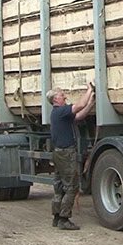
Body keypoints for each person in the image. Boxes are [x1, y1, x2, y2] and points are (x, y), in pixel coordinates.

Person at [46, 82, 95, 230]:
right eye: (62, 95)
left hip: (58, 153)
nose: (65, 96)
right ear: (55, 100)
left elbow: (79, 115)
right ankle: (64, 218)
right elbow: (79, 106)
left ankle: (56, 216)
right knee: (71, 186)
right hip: (66, 153)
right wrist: (89, 90)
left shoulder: (59, 115)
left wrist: (91, 101)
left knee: (60, 185)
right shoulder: (60, 111)